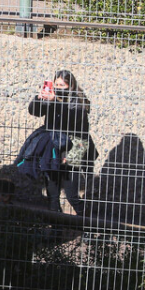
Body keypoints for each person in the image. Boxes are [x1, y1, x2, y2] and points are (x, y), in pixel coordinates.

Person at [27, 69, 96, 215]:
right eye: (56, 84)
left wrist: (71, 157)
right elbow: (35, 112)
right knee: (52, 196)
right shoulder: (52, 98)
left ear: (71, 86)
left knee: (72, 196)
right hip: (53, 151)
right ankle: (56, 232)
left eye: (62, 85)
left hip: (73, 149)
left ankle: (87, 226)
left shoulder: (78, 102)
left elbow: (72, 121)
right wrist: (39, 99)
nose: (58, 88)